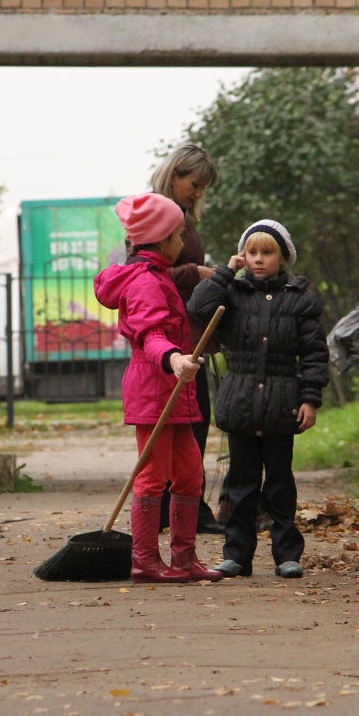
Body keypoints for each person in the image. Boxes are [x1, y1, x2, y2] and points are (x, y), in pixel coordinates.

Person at [93, 192, 224, 583]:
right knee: (152, 476)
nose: (184, 242)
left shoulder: (160, 275)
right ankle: (145, 560)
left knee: (189, 474)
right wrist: (174, 359)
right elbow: (150, 334)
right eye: (179, 234)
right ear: (163, 239)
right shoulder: (145, 282)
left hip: (174, 387)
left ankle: (184, 558)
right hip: (155, 386)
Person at [188, 220, 329, 579]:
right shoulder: (232, 294)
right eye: (252, 252)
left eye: (267, 252)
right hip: (241, 403)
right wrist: (224, 272)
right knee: (241, 483)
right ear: (243, 255)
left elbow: (314, 354)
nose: (258, 259)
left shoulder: (300, 300)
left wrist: (310, 399)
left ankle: (286, 555)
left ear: (282, 257)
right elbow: (198, 307)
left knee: (280, 481)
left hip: (283, 404)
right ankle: (236, 554)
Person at [149, 144, 223, 534]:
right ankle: (173, 509)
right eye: (194, 184)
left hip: (191, 331)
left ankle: (184, 510)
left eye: (202, 188)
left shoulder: (182, 219)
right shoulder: (156, 217)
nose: (198, 193)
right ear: (174, 174)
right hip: (170, 336)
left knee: (194, 421)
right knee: (182, 423)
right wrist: (198, 272)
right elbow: (146, 273)